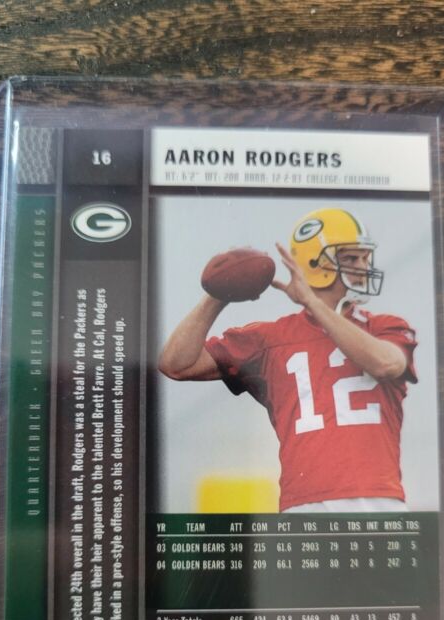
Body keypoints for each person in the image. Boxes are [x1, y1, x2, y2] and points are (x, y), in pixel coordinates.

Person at [158, 208, 417, 512]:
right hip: (304, 504)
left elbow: (386, 364)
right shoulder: (270, 338)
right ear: (314, 263)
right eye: (351, 258)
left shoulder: (384, 326)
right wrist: (218, 293)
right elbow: (176, 363)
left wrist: (312, 303)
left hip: (377, 498)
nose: (363, 266)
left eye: (364, 257)